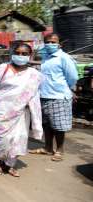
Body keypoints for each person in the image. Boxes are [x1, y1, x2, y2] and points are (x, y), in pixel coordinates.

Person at [0, 42, 43, 177]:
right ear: (12, 53)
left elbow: (34, 94)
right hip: (3, 108)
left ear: (30, 56)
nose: (20, 55)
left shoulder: (34, 74)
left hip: (23, 109)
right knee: (4, 138)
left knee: (20, 137)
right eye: (17, 53)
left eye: (24, 54)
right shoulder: (3, 68)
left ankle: (9, 164)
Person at [29, 33, 78, 162]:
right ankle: (48, 147)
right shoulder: (45, 57)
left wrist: (68, 89)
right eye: (48, 42)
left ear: (59, 44)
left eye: (53, 42)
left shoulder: (64, 58)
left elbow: (72, 77)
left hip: (59, 96)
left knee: (58, 126)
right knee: (47, 124)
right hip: (43, 95)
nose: (50, 44)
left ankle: (60, 150)